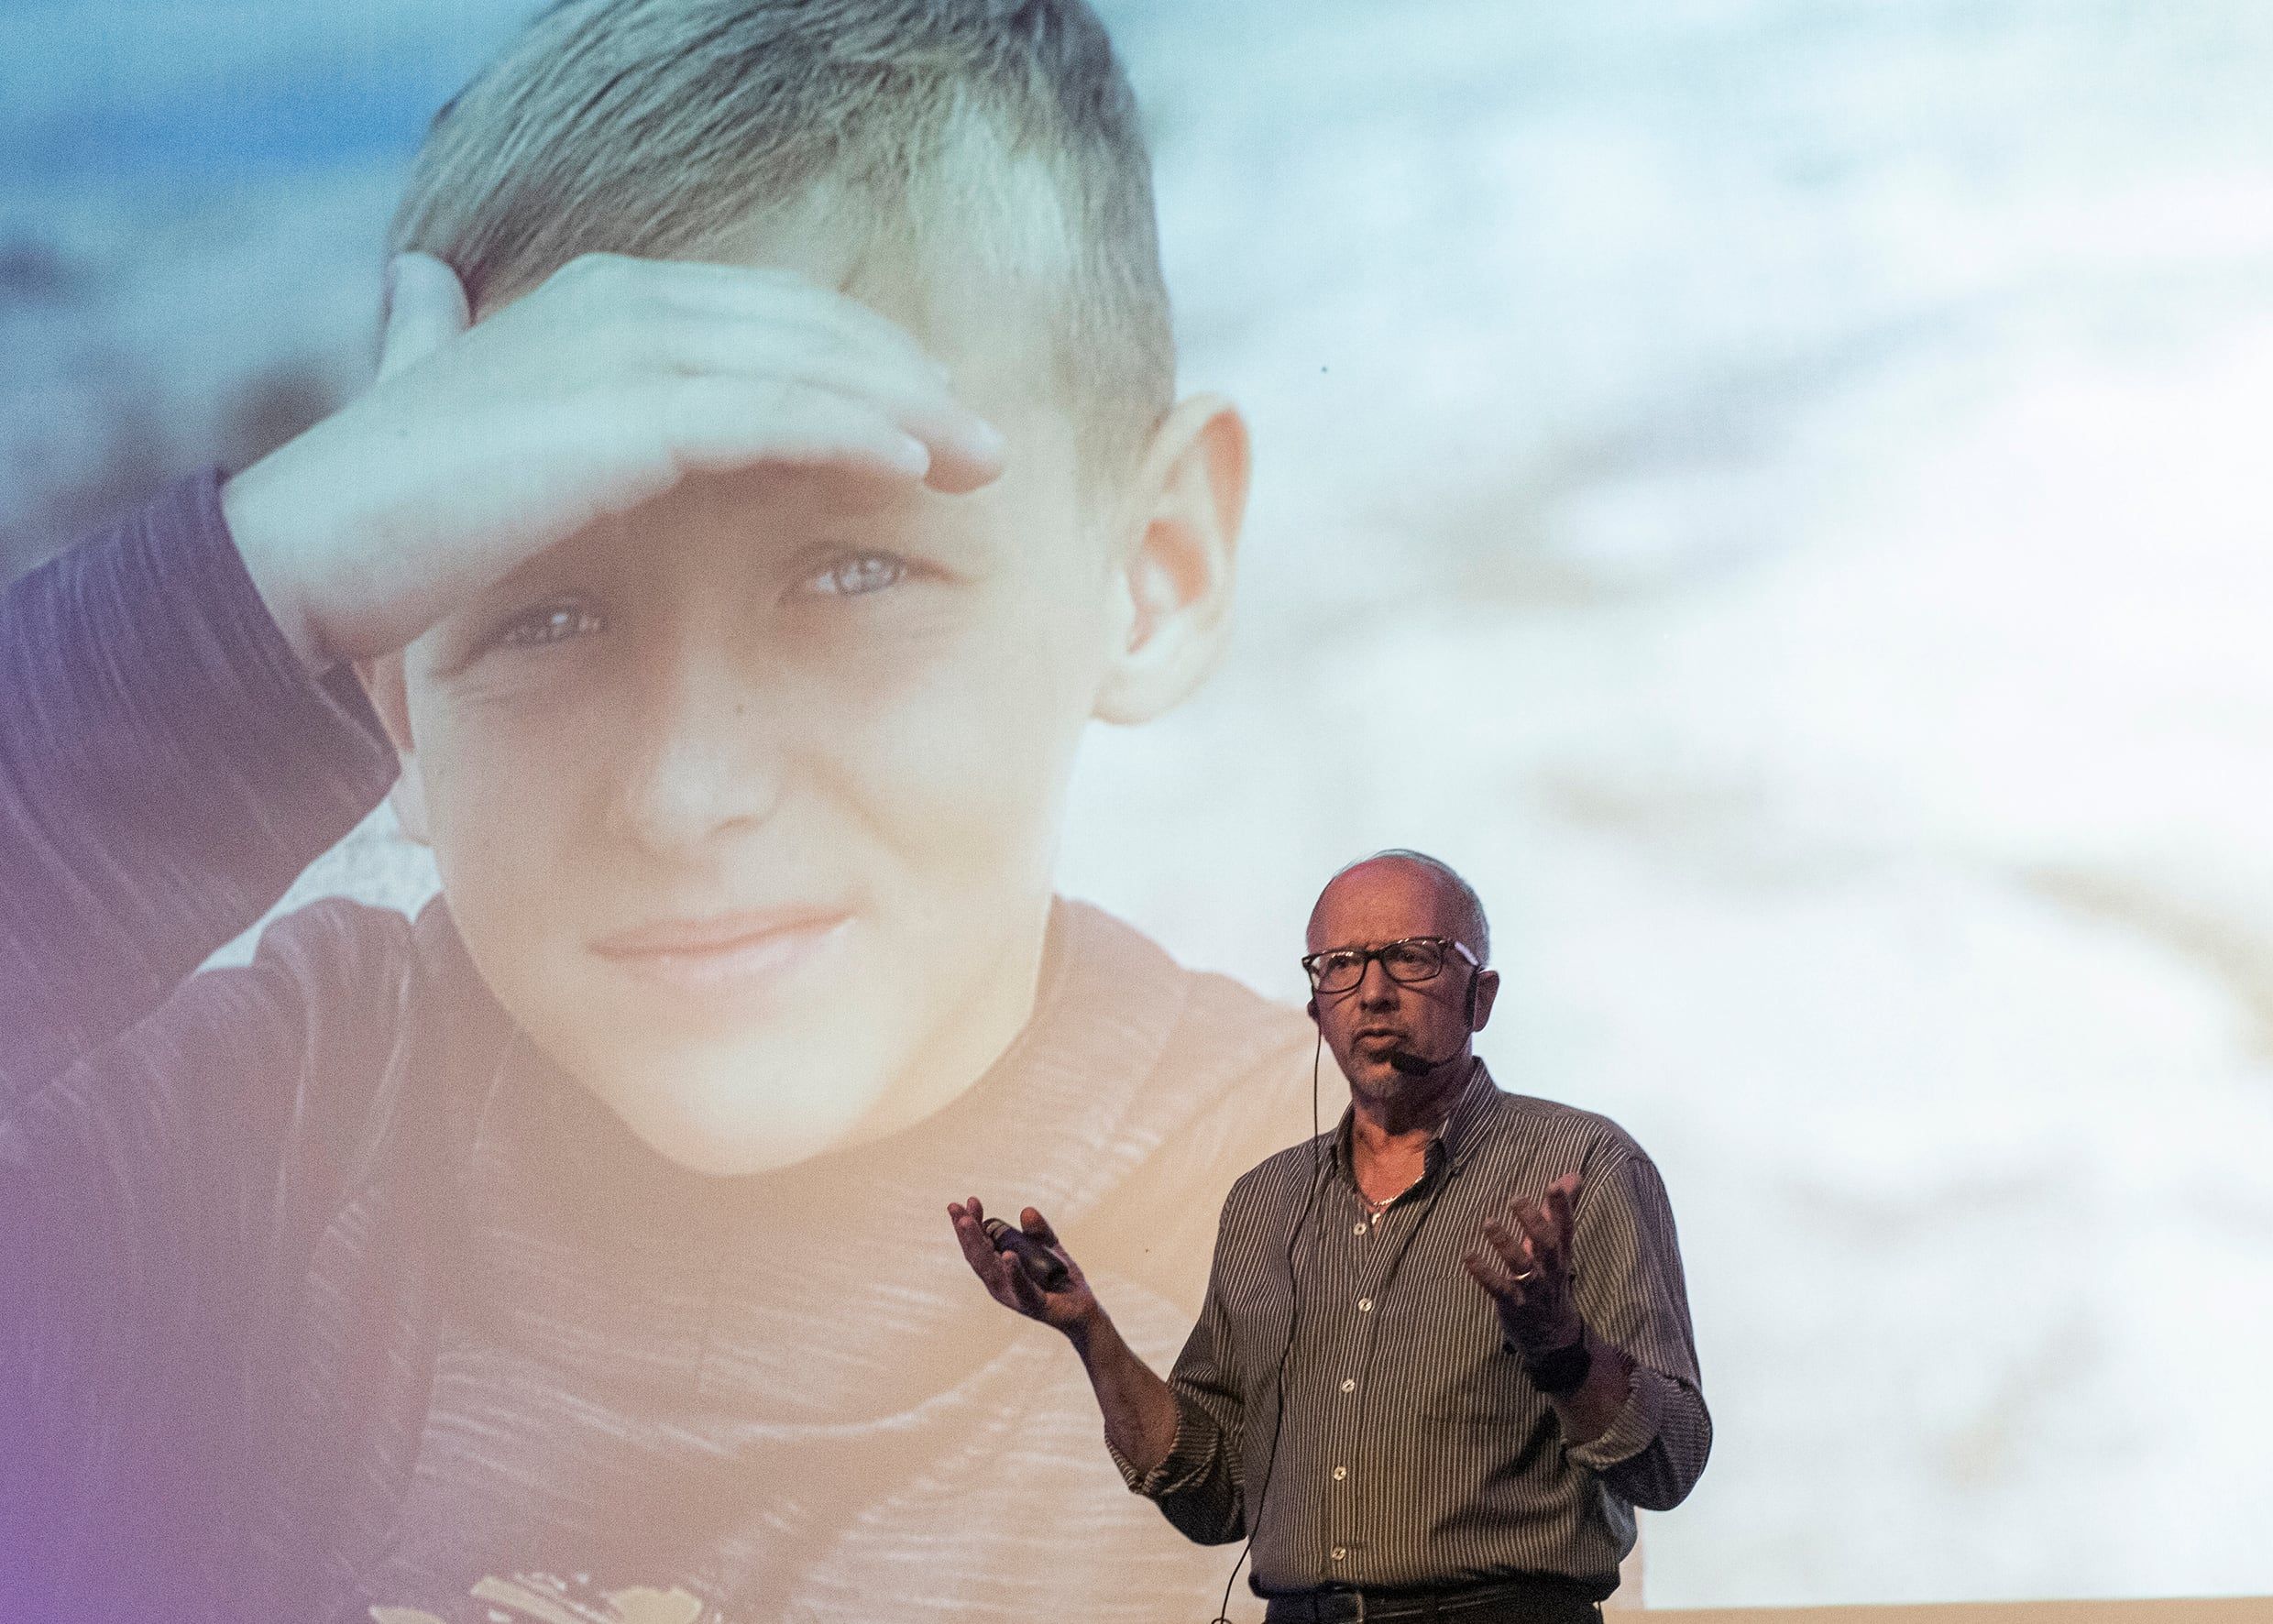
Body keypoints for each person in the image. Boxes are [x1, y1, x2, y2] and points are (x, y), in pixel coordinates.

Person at [0, 4, 1321, 1620]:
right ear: (389, 689)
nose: (689, 792)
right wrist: (268, 573)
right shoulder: (261, 1154)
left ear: (1155, 569)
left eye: (853, 572)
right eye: (539, 615)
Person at [951, 852, 1711, 1621]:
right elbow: (1214, 1496)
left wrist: (1563, 1351)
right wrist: (1091, 1333)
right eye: (1341, 966)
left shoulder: (1585, 1168)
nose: (1373, 992)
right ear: (1316, 1010)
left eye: (1412, 959)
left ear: (1480, 998)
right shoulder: (1265, 1203)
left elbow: (1670, 1463)